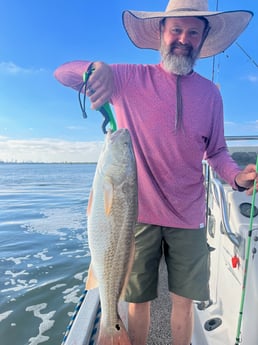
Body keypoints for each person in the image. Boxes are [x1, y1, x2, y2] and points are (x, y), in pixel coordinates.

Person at [54, 1, 257, 344]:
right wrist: (95, 67)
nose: (183, 38)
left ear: (203, 39)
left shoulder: (210, 96)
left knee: (184, 304)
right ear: (161, 34)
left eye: (193, 32)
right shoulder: (128, 77)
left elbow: (217, 152)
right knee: (137, 304)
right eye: (176, 29)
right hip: (137, 214)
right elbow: (64, 74)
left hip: (190, 216)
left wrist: (236, 177)